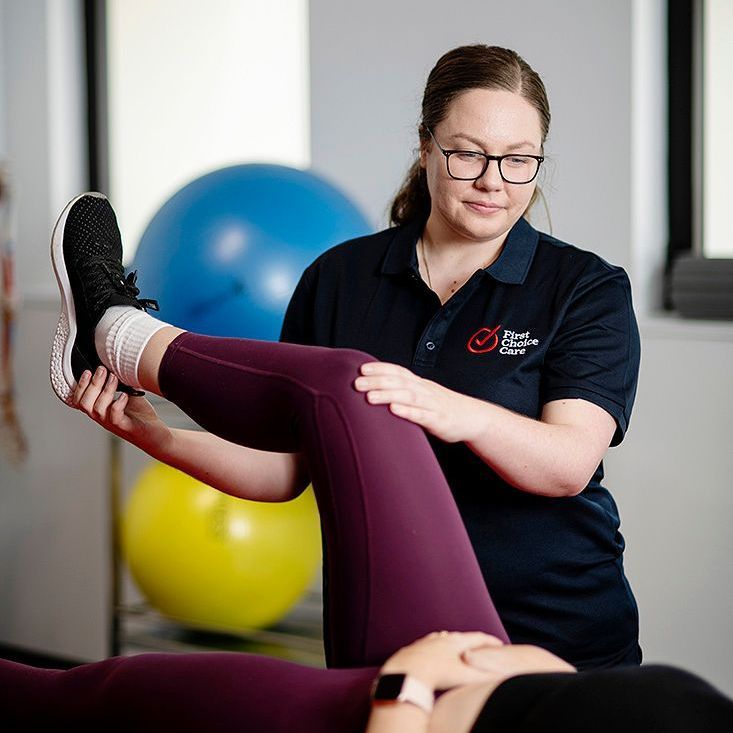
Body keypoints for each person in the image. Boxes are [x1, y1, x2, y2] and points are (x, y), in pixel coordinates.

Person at [1, 192, 730, 732]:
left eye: (516, 161)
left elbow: (568, 464)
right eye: (469, 153)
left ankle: (116, 334)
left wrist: (411, 684)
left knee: (90, 698)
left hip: (428, 679)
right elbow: (291, 471)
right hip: (503, 659)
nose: (492, 180)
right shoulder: (344, 278)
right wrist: (156, 435)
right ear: (427, 143)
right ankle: (113, 339)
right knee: (358, 383)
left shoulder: (581, 287)